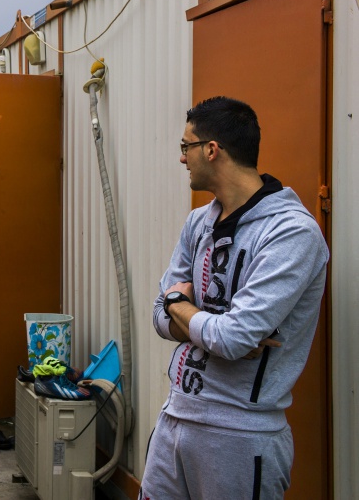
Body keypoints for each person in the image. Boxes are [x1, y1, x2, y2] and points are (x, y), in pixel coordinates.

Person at [140, 96, 328, 500]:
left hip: (240, 435)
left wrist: (182, 307)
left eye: (185, 147)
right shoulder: (199, 221)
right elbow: (158, 315)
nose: (181, 158)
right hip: (176, 417)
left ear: (211, 150)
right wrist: (196, 319)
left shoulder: (291, 232)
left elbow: (231, 338)